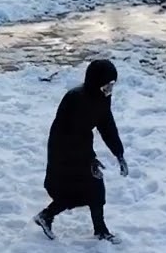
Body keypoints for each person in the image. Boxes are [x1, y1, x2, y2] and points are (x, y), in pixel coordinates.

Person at [33, 59, 128, 243]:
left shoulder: (101, 98)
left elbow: (106, 124)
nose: (110, 89)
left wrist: (119, 153)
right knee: (76, 190)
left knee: (94, 189)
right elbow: (73, 135)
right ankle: (47, 216)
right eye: (107, 85)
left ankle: (98, 229)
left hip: (80, 149)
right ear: (96, 82)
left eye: (112, 85)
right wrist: (90, 160)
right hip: (63, 150)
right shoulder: (77, 99)